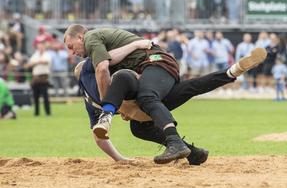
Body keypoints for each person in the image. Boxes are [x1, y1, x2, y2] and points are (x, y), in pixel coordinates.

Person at [64, 24, 267, 164]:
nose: (72, 52)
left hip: (154, 61)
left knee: (146, 97)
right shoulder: (93, 72)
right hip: (153, 71)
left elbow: (102, 67)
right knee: (142, 125)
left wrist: (110, 109)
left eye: (71, 45)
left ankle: (175, 142)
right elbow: (110, 65)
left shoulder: (91, 40)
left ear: (80, 36)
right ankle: (231, 72)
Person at [26, 41, 52, 116]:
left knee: (45, 97)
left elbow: (45, 61)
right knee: (35, 97)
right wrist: (38, 62)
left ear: (44, 47)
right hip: (35, 78)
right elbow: (29, 64)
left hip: (43, 78)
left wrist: (35, 62)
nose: (40, 48)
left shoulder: (47, 54)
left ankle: (48, 113)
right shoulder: (35, 54)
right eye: (39, 46)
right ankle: (36, 113)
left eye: (41, 46)